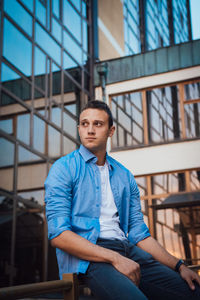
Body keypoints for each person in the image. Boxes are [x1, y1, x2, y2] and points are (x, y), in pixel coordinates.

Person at [45, 100, 200, 300]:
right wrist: (115, 258)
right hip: (90, 257)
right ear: (79, 128)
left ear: (111, 131)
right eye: (84, 124)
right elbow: (59, 235)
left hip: (128, 251)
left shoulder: (124, 175)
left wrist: (179, 266)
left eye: (98, 124)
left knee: (193, 292)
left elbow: (138, 233)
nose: (90, 130)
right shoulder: (63, 168)